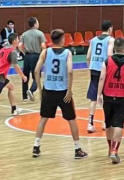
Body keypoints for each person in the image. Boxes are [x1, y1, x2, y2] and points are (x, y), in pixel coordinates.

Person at [32, 29, 88, 160]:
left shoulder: (46, 52)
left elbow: (36, 71)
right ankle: (77, 149)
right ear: (62, 39)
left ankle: (36, 146)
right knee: (71, 119)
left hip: (48, 90)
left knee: (43, 119)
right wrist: (69, 90)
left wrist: (40, 89)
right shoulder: (67, 53)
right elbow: (70, 71)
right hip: (63, 91)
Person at [98, 38, 124, 164]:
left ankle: (110, 148)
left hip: (108, 95)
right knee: (119, 124)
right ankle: (115, 150)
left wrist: (98, 94)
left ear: (114, 48)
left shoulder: (107, 61)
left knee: (108, 123)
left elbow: (102, 78)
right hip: (122, 96)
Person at [86, 20, 114, 133]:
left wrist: (90, 66)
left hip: (94, 69)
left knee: (93, 98)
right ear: (110, 28)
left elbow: (88, 57)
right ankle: (106, 122)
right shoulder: (111, 40)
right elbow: (109, 55)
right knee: (106, 97)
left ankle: (90, 123)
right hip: (104, 69)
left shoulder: (93, 40)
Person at [20, 17, 46, 102]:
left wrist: (24, 53)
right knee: (37, 76)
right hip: (36, 56)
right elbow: (43, 46)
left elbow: (19, 45)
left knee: (25, 76)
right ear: (35, 24)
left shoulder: (24, 34)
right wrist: (44, 55)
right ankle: (31, 90)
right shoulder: (40, 33)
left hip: (27, 56)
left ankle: (24, 97)